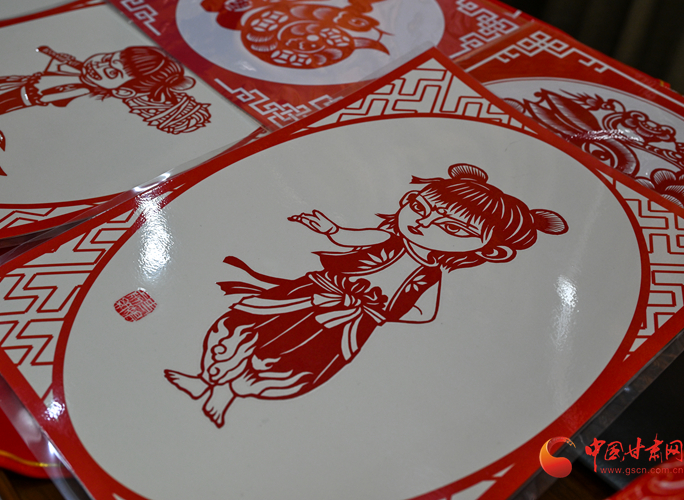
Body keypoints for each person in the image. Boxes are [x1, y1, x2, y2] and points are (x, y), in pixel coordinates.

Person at [164, 163, 569, 427]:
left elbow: (423, 312)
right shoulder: (389, 238)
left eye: (453, 229)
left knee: (292, 359)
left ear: (489, 251)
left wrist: (375, 310)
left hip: (345, 323)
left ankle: (226, 396)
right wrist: (328, 229)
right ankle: (205, 379)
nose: (424, 223)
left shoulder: (428, 274)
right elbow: (350, 238)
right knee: (245, 324)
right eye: (420, 207)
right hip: (310, 292)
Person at [0, 45, 210, 175]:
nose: (100, 66)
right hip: (28, 84)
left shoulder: (89, 101)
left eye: (112, 72)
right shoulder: (83, 78)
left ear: (123, 90)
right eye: (107, 58)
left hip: (31, 100)